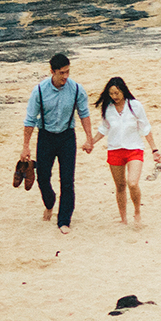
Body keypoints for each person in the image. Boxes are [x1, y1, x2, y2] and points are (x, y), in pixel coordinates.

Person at [19, 52, 96, 233]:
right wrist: (25, 146)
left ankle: (64, 220)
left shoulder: (76, 89)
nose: (65, 76)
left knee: (67, 180)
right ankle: (50, 201)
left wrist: (89, 138)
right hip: (45, 136)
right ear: (52, 71)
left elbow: (83, 113)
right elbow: (30, 119)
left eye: (68, 72)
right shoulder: (39, 90)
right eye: (62, 73)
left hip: (67, 136)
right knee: (43, 177)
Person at [94, 76, 161, 225]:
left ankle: (137, 212)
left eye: (117, 93)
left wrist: (154, 150)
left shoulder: (135, 106)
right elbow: (104, 129)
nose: (114, 97)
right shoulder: (108, 108)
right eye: (111, 94)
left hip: (134, 149)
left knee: (132, 183)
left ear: (123, 91)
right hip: (114, 150)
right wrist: (91, 142)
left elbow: (145, 128)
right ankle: (123, 218)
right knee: (120, 186)